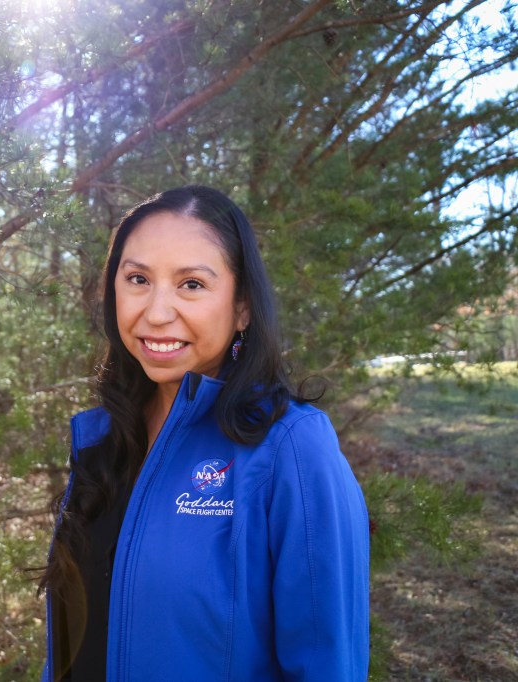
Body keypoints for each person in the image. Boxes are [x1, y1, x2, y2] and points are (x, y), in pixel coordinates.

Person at [39, 186, 369, 681]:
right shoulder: (102, 439)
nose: (155, 311)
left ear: (242, 308)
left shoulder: (291, 448)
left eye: (191, 284)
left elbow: (328, 666)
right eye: (137, 279)